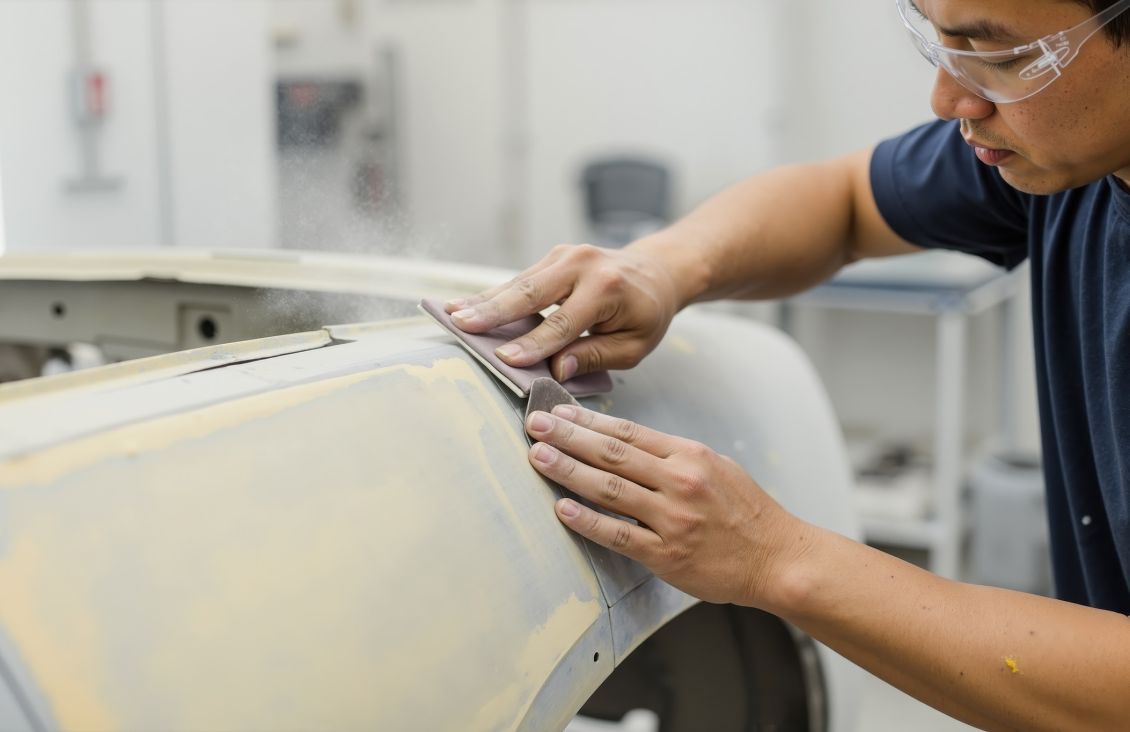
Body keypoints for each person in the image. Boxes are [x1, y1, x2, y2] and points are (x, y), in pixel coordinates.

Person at [448, 0, 1130, 728]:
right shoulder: (1068, 156)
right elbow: (842, 200)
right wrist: (664, 267)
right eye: (939, 44)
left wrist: (776, 558)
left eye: (1003, 59)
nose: (946, 100)